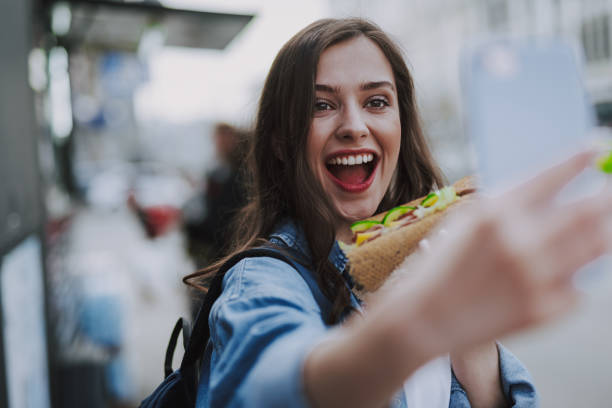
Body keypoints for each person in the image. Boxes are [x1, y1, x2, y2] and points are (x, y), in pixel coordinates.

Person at [184, 18, 612, 407]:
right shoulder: (261, 279)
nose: (354, 125)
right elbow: (264, 386)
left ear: (401, 124)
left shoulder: (432, 253)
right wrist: (427, 317)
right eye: (321, 105)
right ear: (281, 141)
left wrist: (469, 328)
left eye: (376, 102)